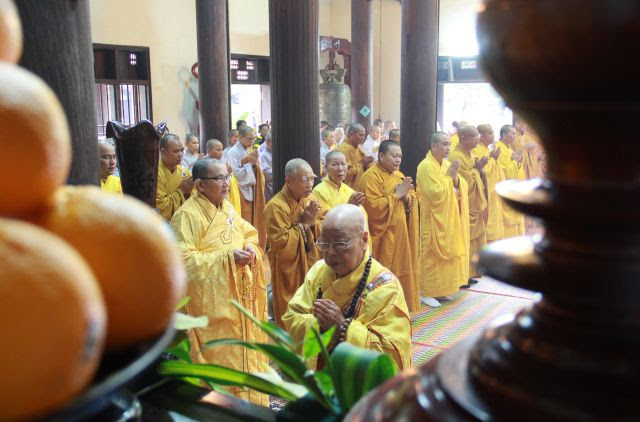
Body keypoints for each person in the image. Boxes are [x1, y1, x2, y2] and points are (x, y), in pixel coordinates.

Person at [170, 159, 269, 406]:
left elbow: (249, 232)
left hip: (239, 299)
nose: (226, 183)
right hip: (210, 305)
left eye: (227, 176)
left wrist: (249, 247)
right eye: (219, 178)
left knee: (244, 349)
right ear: (200, 185)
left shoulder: (227, 209)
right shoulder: (186, 215)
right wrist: (227, 258)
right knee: (220, 359)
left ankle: (249, 404)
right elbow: (182, 261)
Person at [282, 205, 411, 370]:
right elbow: (292, 317)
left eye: (339, 243)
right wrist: (320, 326)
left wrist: (342, 327)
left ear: (364, 240)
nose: (330, 252)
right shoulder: (318, 271)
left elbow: (392, 355)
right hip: (319, 376)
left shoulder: (385, 287)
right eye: (325, 243)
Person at [359, 141, 420, 312]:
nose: (398, 160)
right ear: (381, 156)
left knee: (402, 269)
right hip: (382, 236)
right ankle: (380, 310)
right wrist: (396, 196)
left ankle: (400, 307)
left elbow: (412, 199)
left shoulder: (399, 176)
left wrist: (406, 197)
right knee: (382, 274)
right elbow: (372, 207)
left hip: (401, 234)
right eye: (394, 156)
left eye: (400, 156)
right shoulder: (371, 176)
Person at [264, 159, 321, 327]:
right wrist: (305, 224)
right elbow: (280, 243)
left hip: (308, 261)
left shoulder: (307, 200)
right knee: (290, 309)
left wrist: (312, 223)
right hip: (288, 269)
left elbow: (319, 225)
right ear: (288, 180)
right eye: (304, 179)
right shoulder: (275, 206)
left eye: (312, 179)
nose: (310, 184)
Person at [416, 132, 470, 308]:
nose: (448, 148)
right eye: (444, 144)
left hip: (448, 217)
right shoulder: (425, 166)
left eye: (449, 144)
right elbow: (434, 194)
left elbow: (460, 185)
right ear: (433, 146)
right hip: (432, 218)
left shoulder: (446, 164)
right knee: (430, 254)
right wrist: (449, 177)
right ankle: (426, 292)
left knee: (447, 254)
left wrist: (455, 179)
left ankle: (440, 290)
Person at [448, 125, 488, 283]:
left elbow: (474, 175)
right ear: (463, 138)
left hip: (473, 205)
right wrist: (477, 170)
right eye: (475, 135)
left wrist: (479, 170)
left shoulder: (470, 155)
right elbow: (464, 183)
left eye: (478, 135)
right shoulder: (456, 156)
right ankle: (462, 274)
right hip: (463, 206)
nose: (478, 138)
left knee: (474, 240)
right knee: (464, 239)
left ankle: (470, 272)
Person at [228, 126, 267, 248]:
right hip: (241, 192)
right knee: (244, 220)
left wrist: (254, 164)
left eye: (253, 138)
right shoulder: (233, 152)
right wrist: (250, 164)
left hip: (251, 190)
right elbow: (236, 175)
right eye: (249, 139)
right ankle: (244, 247)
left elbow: (255, 167)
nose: (252, 141)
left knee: (253, 219)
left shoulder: (249, 149)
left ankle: (254, 245)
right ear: (240, 137)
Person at [474, 124, 504, 242]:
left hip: (494, 191)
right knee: (488, 220)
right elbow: (483, 172)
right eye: (490, 133)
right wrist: (492, 159)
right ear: (481, 136)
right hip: (486, 193)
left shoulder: (487, 149)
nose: (493, 136)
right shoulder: (477, 150)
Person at [496, 125, 526, 237]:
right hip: (505, 191)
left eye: (515, 133)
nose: (515, 136)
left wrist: (517, 163)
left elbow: (516, 170)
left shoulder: (509, 150)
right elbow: (504, 172)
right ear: (504, 135)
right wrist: (515, 162)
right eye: (512, 133)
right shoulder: (498, 149)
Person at [156, 134, 193, 220]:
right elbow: (160, 207)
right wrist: (181, 190)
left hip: (184, 219)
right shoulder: (155, 173)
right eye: (176, 151)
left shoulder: (184, 171)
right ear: (163, 152)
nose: (180, 155)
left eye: (182, 150)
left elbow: (195, 196)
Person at [207, 138, 242, 212]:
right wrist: (227, 174)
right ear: (209, 151)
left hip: (228, 192)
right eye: (218, 150)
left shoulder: (224, 162)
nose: (221, 152)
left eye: (221, 150)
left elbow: (230, 178)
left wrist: (229, 174)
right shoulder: (205, 164)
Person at [335, 123, 373, 189]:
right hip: (348, 189)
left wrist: (368, 163)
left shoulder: (359, 146)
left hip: (361, 185)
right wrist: (362, 164)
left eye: (364, 135)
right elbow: (344, 174)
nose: (363, 138)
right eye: (361, 135)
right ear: (351, 134)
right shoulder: (342, 149)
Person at [259, 131, 274, 202]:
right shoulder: (263, 155)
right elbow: (266, 173)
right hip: (269, 187)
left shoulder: (276, 151)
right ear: (267, 142)